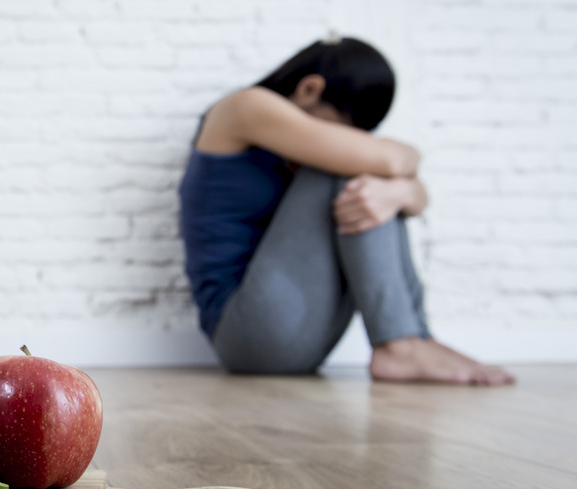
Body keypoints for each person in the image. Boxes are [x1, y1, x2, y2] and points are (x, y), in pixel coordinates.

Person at [178, 35, 514, 385]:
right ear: (309, 89)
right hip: (246, 332)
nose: (341, 141)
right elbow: (387, 159)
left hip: (302, 332)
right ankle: (399, 345)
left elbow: (411, 187)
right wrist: (401, 177)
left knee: (375, 185)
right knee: (360, 172)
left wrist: (399, 192)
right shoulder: (244, 108)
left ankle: (414, 338)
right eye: (341, 129)